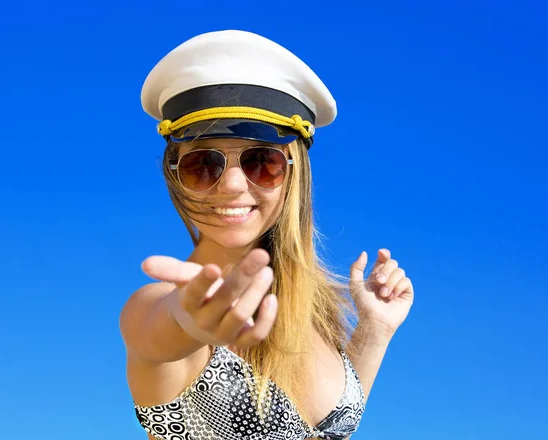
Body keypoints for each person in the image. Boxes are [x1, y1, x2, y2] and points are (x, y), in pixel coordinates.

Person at [120, 30, 414, 440]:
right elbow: (151, 333)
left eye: (262, 162)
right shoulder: (166, 306)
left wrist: (374, 330)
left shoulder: (317, 319)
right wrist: (185, 321)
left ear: (294, 174)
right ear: (176, 177)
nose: (233, 185)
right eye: (203, 165)